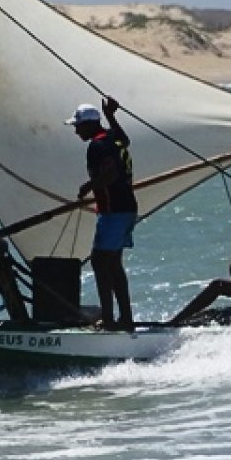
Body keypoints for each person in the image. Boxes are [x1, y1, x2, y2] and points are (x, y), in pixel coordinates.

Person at [68, 96, 137, 331]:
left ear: (89, 125)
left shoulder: (97, 145)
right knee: (113, 264)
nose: (76, 131)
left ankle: (109, 320)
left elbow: (110, 173)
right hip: (126, 209)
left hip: (114, 212)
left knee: (100, 262)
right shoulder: (111, 137)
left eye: (78, 126)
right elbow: (125, 140)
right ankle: (124, 319)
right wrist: (111, 116)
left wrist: (89, 186)